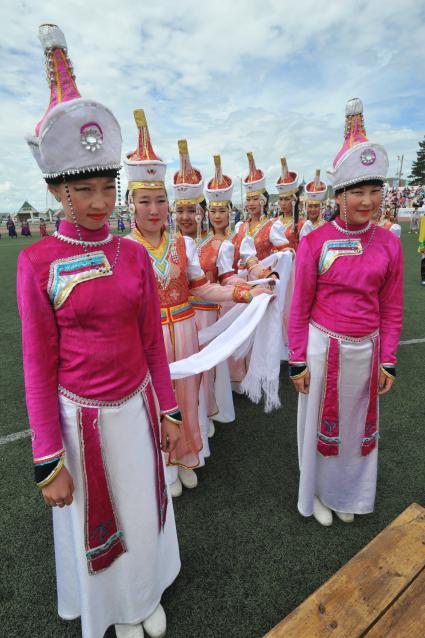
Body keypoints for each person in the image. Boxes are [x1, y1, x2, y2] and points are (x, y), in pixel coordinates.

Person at [18, 25, 180, 638]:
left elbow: (148, 344)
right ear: (56, 190)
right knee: (93, 515)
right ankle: (108, 607)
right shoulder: (36, 263)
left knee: (142, 508)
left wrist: (166, 410)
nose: (95, 202)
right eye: (79, 189)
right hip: (77, 419)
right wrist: (46, 458)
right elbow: (36, 364)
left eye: (103, 187)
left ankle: (142, 596)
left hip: (135, 406)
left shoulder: (135, 254)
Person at [124, 110, 271, 497]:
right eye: (145, 201)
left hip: (186, 328)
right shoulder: (123, 251)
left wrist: (245, 292)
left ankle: (187, 455)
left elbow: (202, 288)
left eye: (160, 200)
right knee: (151, 400)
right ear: (131, 204)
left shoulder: (182, 244)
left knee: (187, 393)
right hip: (147, 338)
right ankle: (162, 465)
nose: (154, 209)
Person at [288, 97, 403, 528]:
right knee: (317, 425)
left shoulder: (390, 242)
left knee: (357, 429)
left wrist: (388, 357)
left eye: (375, 191)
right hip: (322, 348)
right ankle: (315, 490)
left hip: (366, 350)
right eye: (358, 191)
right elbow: (298, 307)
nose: (368, 201)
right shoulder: (314, 242)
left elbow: (392, 307)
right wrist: (297, 358)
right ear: (340, 194)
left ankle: (348, 493)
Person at [232, 152, 289, 269]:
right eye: (248, 199)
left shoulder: (272, 226)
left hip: (264, 281)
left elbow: (286, 255)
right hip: (241, 281)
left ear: (263, 201)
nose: (251, 203)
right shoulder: (240, 227)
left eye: (255, 199)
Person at [276, 157, 304, 250]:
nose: (283, 203)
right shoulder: (273, 223)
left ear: (294, 200)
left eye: (287, 199)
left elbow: (305, 251)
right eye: (281, 199)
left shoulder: (302, 224)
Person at [299, 169, 327, 239]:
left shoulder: (327, 226)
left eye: (316, 206)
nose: (313, 209)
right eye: (310, 206)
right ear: (305, 207)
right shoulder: (300, 225)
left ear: (321, 207)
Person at [418, 211, 425, 285]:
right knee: (424, 260)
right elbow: (422, 233)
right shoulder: (424, 218)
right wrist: (422, 245)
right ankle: (423, 278)